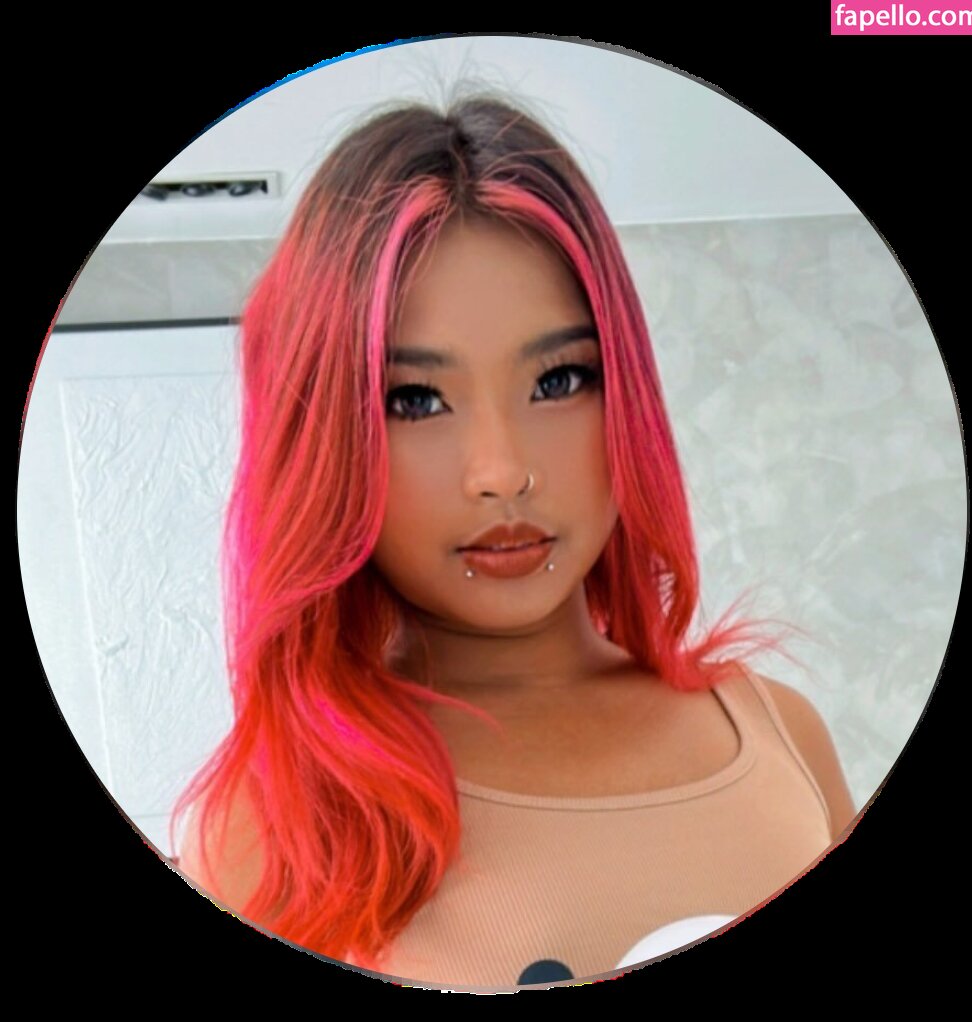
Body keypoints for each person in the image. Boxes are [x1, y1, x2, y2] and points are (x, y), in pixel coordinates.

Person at [174, 91, 855, 989]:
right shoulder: (277, 822)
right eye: (415, 400)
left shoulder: (779, 736)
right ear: (326, 436)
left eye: (560, 379)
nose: (501, 472)